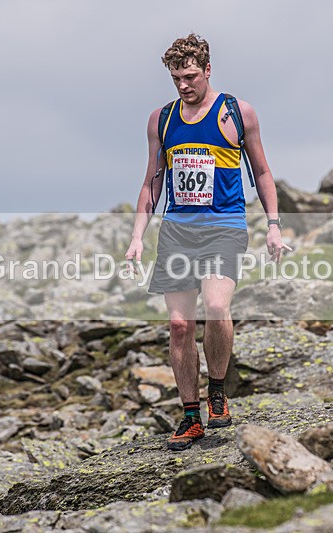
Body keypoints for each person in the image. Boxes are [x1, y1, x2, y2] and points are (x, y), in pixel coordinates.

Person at [125, 33, 290, 451]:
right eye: (176, 77)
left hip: (225, 227)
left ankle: (217, 390)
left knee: (216, 307)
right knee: (180, 326)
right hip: (178, 231)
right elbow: (152, 182)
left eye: (191, 76)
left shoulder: (238, 112)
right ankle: (191, 415)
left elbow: (263, 172)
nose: (184, 85)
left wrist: (273, 225)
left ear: (208, 70)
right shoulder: (161, 120)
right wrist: (137, 238)